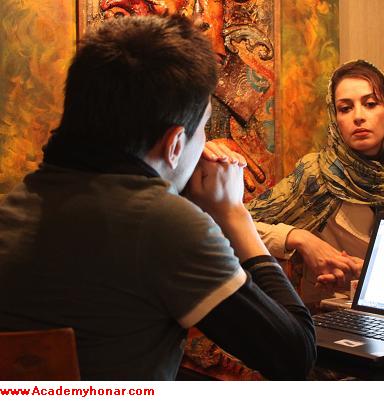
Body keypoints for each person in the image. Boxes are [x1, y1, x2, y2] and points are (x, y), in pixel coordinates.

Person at [0, 15, 316, 380]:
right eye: (202, 130)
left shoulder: (14, 206)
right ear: (175, 144)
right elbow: (295, 355)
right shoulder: (163, 225)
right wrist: (233, 214)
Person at [240, 60, 384, 302]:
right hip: (330, 310)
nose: (358, 117)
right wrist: (299, 238)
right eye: (345, 108)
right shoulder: (316, 173)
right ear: (335, 118)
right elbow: (237, 223)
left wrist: (370, 271)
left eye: (370, 104)